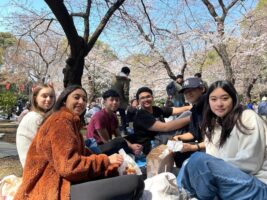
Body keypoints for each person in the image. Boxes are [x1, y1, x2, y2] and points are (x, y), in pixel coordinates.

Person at [14, 85, 144, 200]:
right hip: (53, 188)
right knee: (135, 182)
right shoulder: (61, 121)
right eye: (76, 97)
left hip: (63, 181)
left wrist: (110, 167)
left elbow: (85, 154)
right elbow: (69, 167)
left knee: (122, 175)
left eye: (84, 99)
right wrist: (106, 160)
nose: (81, 102)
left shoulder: (70, 121)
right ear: (64, 100)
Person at [178, 80, 267, 199]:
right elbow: (213, 156)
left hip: (256, 185)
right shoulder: (213, 125)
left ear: (234, 99)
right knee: (187, 162)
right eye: (213, 99)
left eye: (225, 98)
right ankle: (182, 192)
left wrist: (212, 166)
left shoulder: (248, 118)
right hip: (230, 183)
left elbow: (251, 163)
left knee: (198, 159)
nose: (219, 104)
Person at [125, 86, 191, 155]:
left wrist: (192, 107)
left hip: (161, 138)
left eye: (148, 96)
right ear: (138, 101)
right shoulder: (141, 115)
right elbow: (165, 127)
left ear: (152, 98)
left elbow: (175, 110)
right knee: (185, 122)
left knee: (188, 113)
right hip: (152, 147)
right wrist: (190, 118)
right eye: (142, 98)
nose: (146, 99)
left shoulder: (156, 109)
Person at [86, 89, 143, 155]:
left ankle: (135, 150)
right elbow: (106, 141)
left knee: (133, 136)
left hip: (108, 145)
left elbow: (118, 135)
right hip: (96, 148)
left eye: (117, 100)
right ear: (104, 102)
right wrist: (130, 146)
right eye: (112, 100)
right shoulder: (99, 116)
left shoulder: (114, 116)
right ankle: (133, 152)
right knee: (119, 142)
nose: (115, 102)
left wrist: (130, 145)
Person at [16, 83, 56, 167]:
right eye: (44, 96)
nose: (48, 99)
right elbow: (49, 148)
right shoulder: (35, 118)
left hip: (39, 165)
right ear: (35, 98)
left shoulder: (41, 116)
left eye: (51, 96)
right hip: (36, 168)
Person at [172, 77, 206, 167]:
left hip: (214, 149)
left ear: (202, 89)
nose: (188, 94)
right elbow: (193, 133)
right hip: (203, 145)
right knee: (179, 154)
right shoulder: (195, 110)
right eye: (185, 92)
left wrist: (193, 147)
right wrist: (179, 137)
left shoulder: (210, 107)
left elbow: (215, 140)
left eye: (192, 90)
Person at [111, 66, 131, 134]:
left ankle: (111, 129)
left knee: (112, 115)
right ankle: (124, 130)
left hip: (113, 99)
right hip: (121, 100)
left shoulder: (114, 78)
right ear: (127, 73)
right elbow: (126, 91)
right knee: (123, 116)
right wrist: (127, 100)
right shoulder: (125, 80)